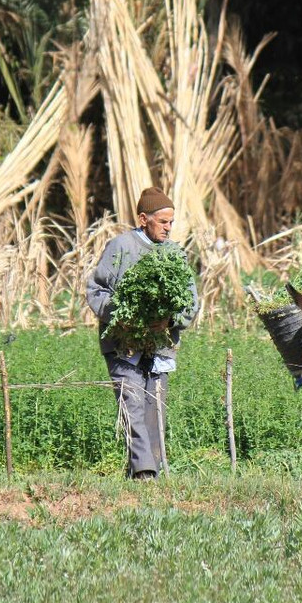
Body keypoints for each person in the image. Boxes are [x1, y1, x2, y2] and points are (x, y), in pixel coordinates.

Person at [86, 186, 199, 480]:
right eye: (162, 222)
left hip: (160, 345)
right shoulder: (121, 247)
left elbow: (191, 302)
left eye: (171, 222)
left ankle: (147, 473)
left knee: (154, 410)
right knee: (132, 404)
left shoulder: (174, 254)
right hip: (123, 344)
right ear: (143, 219)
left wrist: (170, 321)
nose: (168, 228)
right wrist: (121, 317)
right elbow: (96, 290)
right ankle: (145, 472)